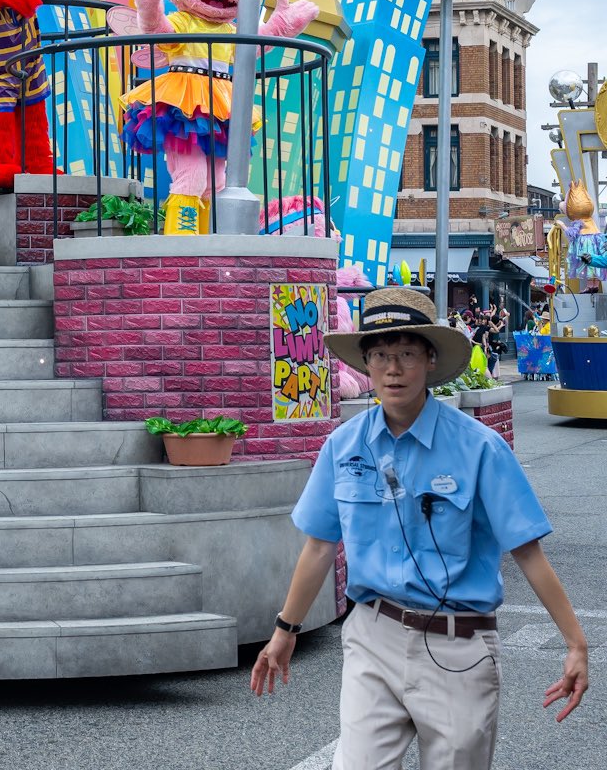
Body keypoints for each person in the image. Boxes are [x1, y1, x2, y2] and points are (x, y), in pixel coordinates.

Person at [250, 286, 588, 769]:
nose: (393, 368)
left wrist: (576, 643)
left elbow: (528, 553)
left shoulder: (480, 448)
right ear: (365, 364)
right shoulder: (343, 446)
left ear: (429, 359)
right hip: (372, 634)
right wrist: (285, 631)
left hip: (460, 648)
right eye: (381, 355)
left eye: (407, 354)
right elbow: (320, 547)